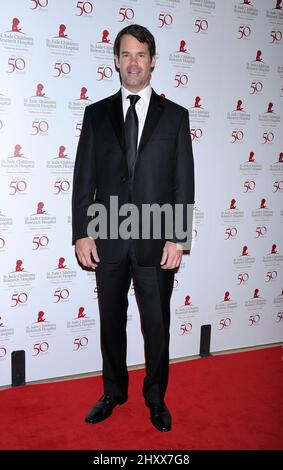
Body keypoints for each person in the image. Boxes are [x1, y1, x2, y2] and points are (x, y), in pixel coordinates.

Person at [72, 24, 194, 432]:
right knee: (110, 321)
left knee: (156, 325)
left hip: (156, 240)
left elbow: (183, 181)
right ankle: (113, 391)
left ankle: (156, 397)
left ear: (153, 60)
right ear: (117, 62)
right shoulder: (96, 114)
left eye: (141, 55)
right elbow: (83, 179)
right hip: (106, 238)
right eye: (126, 55)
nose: (133, 62)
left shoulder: (175, 116)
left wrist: (178, 236)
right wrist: (82, 232)